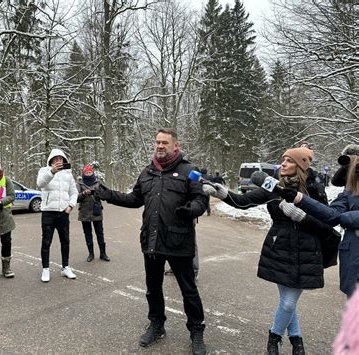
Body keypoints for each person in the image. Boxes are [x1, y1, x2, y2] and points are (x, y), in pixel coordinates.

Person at [203, 147, 336, 355]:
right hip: (279, 249)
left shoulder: (315, 189)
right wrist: (223, 194)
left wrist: (303, 217)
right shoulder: (274, 184)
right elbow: (244, 202)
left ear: (300, 165)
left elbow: (328, 224)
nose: (282, 164)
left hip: (307, 252)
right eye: (282, 159)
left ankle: (273, 339)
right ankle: (297, 342)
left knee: (289, 303)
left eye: (289, 161)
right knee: (287, 303)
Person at [95, 128, 209, 355]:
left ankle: (196, 331)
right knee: (153, 288)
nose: (159, 146)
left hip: (179, 241)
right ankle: (157, 325)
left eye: (165, 142)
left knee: (189, 290)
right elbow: (134, 199)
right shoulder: (147, 172)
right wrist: (109, 195)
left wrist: (192, 210)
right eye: (157, 142)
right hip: (152, 240)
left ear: (176, 146)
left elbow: (201, 199)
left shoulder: (189, 171)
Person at [282, 155, 359, 298]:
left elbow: (341, 217)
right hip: (354, 260)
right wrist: (300, 199)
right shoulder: (349, 192)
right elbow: (333, 215)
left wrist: (347, 217)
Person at [36, 148, 78, 282]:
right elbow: (40, 184)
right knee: (46, 241)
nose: (58, 161)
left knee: (65, 241)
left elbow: (74, 192)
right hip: (48, 212)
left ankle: (65, 267)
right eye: (56, 159)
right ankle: (45, 269)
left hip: (63, 213)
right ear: (51, 160)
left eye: (60, 159)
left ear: (64, 160)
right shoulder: (44, 171)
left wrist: (71, 205)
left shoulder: (68, 174)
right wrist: (52, 172)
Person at [77, 165, 110, 262]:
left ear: (92, 173)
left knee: (100, 233)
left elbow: (106, 194)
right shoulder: (79, 184)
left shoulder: (98, 182)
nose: (88, 174)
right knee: (88, 234)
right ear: (83, 173)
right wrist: (83, 194)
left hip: (97, 211)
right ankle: (91, 254)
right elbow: (76, 198)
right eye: (86, 172)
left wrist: (98, 193)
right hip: (84, 212)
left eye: (89, 172)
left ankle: (103, 254)